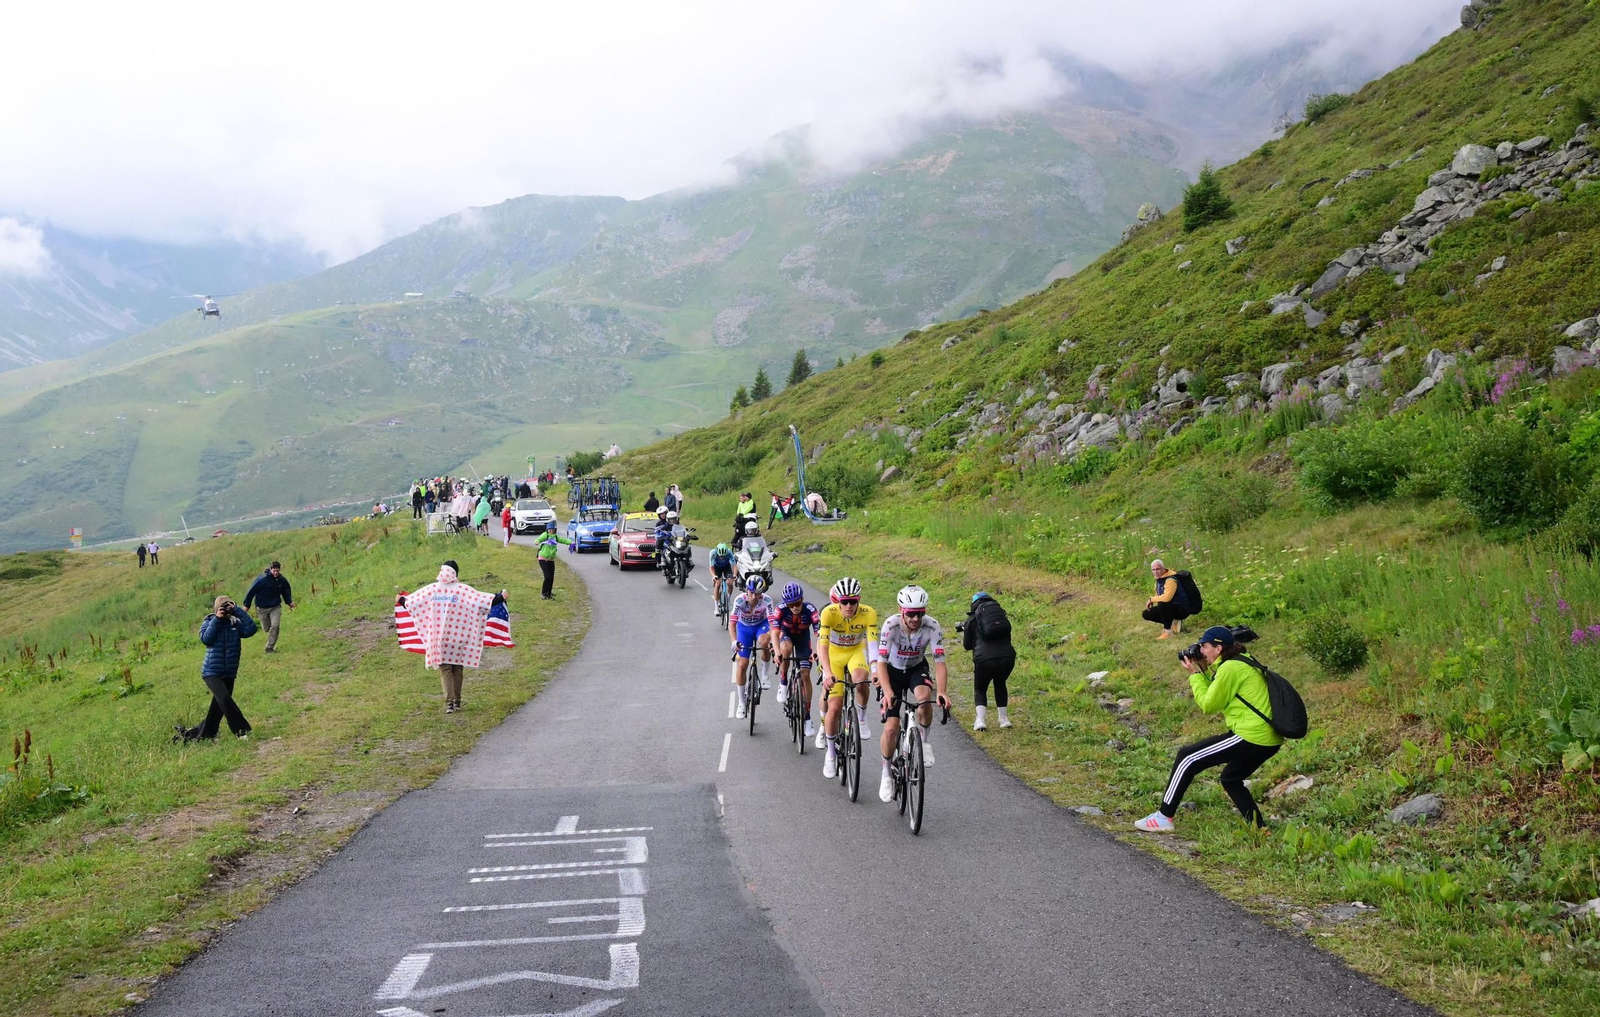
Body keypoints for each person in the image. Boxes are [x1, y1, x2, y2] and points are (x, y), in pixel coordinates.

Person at [1135, 626, 1282, 832]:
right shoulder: (1241, 661)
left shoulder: (1230, 668)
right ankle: (1260, 829)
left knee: (1187, 757)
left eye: (1204, 646)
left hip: (1252, 735)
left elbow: (1208, 705)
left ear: (1218, 648)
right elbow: (1217, 694)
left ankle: (1164, 817)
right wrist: (1203, 670)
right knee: (1231, 779)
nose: (1201, 651)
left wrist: (1195, 674)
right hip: (1270, 738)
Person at [875, 585, 951, 802]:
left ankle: (924, 742)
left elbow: (940, 662)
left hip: (916, 668)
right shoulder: (890, 625)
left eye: (920, 613)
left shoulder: (932, 626)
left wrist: (942, 692)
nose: (916, 619)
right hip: (892, 671)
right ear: (901, 610)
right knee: (891, 728)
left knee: (924, 699)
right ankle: (886, 773)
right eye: (911, 614)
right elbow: (881, 663)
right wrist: (887, 692)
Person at [399, 560, 506, 713]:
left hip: (440, 639)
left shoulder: (432, 590)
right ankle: (457, 701)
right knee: (457, 668)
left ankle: (449, 703)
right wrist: (500, 597)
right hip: (459, 637)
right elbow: (481, 601)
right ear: (456, 573)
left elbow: (413, 603)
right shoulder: (463, 590)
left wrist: (401, 600)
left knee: (445, 669)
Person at [816, 576, 880, 767]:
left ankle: (862, 718)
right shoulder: (828, 613)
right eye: (844, 602)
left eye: (853, 601)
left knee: (861, 680)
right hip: (834, 655)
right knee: (835, 706)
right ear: (838, 601)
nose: (849, 606)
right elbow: (823, 646)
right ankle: (830, 754)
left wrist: (875, 669)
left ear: (859, 600)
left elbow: (872, 644)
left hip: (855, 651)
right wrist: (828, 673)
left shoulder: (869, 613)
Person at [176, 595, 257, 742]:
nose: (226, 609)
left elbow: (251, 630)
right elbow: (206, 639)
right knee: (225, 699)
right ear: (217, 608)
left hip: (229, 672)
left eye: (229, 605)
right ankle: (241, 730)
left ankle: (203, 734)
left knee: (218, 708)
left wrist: (238, 611)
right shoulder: (209, 621)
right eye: (223, 606)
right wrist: (217, 619)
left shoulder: (235, 623)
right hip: (211, 672)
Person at [772, 582, 820, 738]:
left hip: (803, 639)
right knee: (785, 649)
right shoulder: (780, 609)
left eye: (797, 603)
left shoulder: (810, 610)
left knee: (805, 675)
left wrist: (817, 651)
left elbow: (819, 635)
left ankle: (807, 717)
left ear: (802, 599)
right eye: (791, 605)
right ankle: (783, 682)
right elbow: (775, 633)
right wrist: (777, 652)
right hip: (786, 636)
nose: (794, 607)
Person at [962, 591, 1015, 731]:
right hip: (1007, 657)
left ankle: (980, 720)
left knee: (980, 688)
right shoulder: (1001, 616)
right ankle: (1004, 719)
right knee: (1000, 684)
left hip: (984, 659)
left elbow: (967, 645)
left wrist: (967, 630)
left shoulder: (972, 619)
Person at [728, 575, 775, 718]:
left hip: (761, 626)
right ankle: (742, 703)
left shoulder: (767, 601)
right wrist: (734, 641)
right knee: (742, 664)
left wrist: (773, 641)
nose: (754, 597)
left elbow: (772, 623)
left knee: (764, 642)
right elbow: (732, 623)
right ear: (746, 590)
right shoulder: (739, 601)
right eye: (751, 593)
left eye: (758, 593)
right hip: (744, 629)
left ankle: (764, 675)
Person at [243, 561, 296, 654]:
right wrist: (246, 605)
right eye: (274, 571)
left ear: (280, 570)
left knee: (275, 625)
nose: (276, 573)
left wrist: (289, 602)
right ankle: (270, 635)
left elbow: (286, 592)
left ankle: (269, 647)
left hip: (275, 607)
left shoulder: (282, 580)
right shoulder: (262, 580)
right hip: (262, 608)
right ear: (270, 570)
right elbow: (251, 592)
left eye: (277, 571)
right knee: (267, 628)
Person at [1143, 559, 1193, 640]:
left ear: (1163, 569)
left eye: (1158, 569)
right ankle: (1174, 622)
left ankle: (1168, 631)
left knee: (1162, 604)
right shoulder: (1158, 581)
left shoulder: (1170, 580)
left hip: (1182, 609)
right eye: (1153, 570)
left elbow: (1166, 598)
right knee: (1146, 613)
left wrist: (1151, 599)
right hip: (1170, 607)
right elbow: (1159, 596)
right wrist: (1154, 600)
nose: (1156, 572)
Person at [536, 521, 572, 598]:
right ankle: (543, 593)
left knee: (551, 577)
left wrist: (571, 542)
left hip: (551, 560)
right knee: (547, 576)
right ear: (547, 530)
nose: (551, 530)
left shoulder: (555, 537)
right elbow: (538, 539)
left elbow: (563, 540)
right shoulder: (545, 535)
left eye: (553, 529)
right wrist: (537, 541)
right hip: (543, 559)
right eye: (550, 529)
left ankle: (549, 593)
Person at [708, 542, 735, 617]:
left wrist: (735, 574)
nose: (722, 558)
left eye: (724, 556)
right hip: (716, 568)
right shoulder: (713, 553)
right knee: (717, 585)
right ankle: (716, 608)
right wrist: (714, 576)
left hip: (726, 567)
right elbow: (711, 567)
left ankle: (728, 601)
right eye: (720, 556)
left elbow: (734, 565)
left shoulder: (729, 552)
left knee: (730, 583)